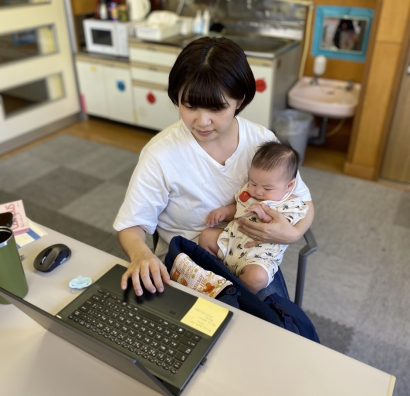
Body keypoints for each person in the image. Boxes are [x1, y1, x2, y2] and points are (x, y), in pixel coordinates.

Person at [113, 36, 314, 297]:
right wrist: (141, 254)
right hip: (191, 259)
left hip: (249, 257)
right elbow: (132, 223)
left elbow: (304, 201)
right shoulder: (160, 153)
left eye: (216, 108)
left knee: (273, 327)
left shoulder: (262, 143)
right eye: (190, 106)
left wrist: (292, 233)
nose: (202, 121)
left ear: (239, 101)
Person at [198, 141, 308, 294]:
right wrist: (225, 211)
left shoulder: (291, 204)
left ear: (289, 186)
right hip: (230, 241)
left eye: (267, 188)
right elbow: (239, 207)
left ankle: (236, 292)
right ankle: (217, 274)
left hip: (257, 256)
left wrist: (264, 215)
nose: (258, 192)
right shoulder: (249, 191)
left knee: (257, 278)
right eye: (253, 183)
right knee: (206, 236)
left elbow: (285, 228)